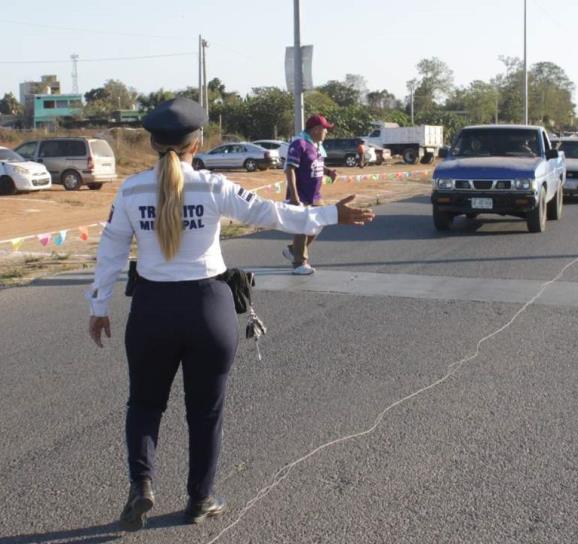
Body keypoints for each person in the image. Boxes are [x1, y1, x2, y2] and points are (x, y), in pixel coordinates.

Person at [85, 98, 374, 532]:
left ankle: (141, 485)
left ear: (152, 143)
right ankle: (200, 498)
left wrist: (98, 305)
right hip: (208, 307)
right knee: (205, 411)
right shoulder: (213, 186)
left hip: (152, 309)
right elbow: (274, 213)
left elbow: (110, 250)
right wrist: (332, 213)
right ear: (196, 142)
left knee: (144, 404)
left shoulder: (131, 190)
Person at [282, 114, 339, 275]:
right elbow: (290, 169)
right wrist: (294, 197)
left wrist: (328, 172)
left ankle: (294, 250)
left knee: (319, 223)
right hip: (301, 195)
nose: (327, 132)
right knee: (303, 226)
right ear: (315, 129)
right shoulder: (299, 143)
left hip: (315, 195)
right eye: (324, 129)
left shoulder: (315, 145)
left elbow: (316, 163)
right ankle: (299, 264)